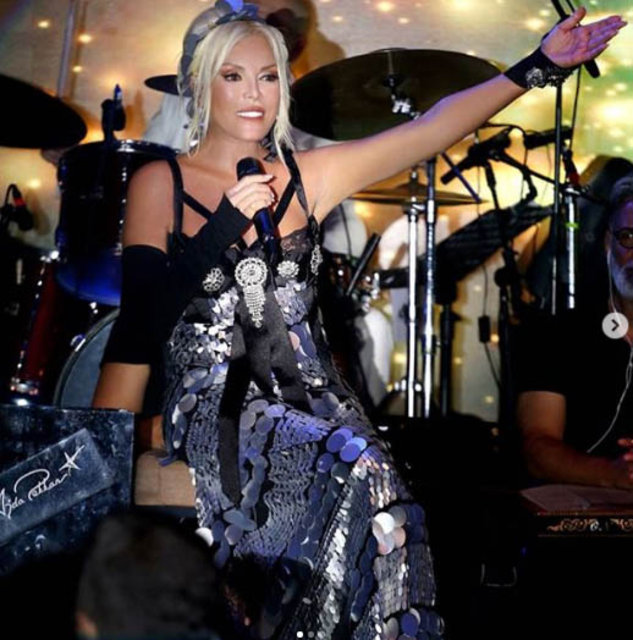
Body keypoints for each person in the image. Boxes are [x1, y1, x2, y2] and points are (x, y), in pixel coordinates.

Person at [93, 1, 624, 637]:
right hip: (216, 397)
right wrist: (105, 435)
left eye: (268, 76)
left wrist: (538, 65)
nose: (254, 93)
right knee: (356, 468)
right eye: (233, 76)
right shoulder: (161, 180)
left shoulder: (305, 177)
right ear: (202, 84)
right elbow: (143, 321)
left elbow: (431, 128)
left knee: (392, 502)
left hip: (315, 393)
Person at [517, 174, 633, 489]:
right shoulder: (556, 334)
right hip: (582, 511)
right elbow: (537, 450)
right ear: (608, 244)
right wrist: (615, 474)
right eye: (628, 237)